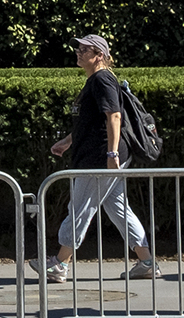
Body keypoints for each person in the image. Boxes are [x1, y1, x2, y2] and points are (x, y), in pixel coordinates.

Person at [48, 34, 158, 281]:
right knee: (119, 208)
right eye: (78, 48)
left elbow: (114, 117)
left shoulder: (102, 79)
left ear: (99, 55)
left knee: (80, 207)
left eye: (84, 49)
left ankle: (59, 264)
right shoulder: (96, 80)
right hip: (99, 155)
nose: (78, 51)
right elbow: (92, 123)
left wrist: (112, 153)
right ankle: (147, 262)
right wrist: (67, 142)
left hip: (99, 157)